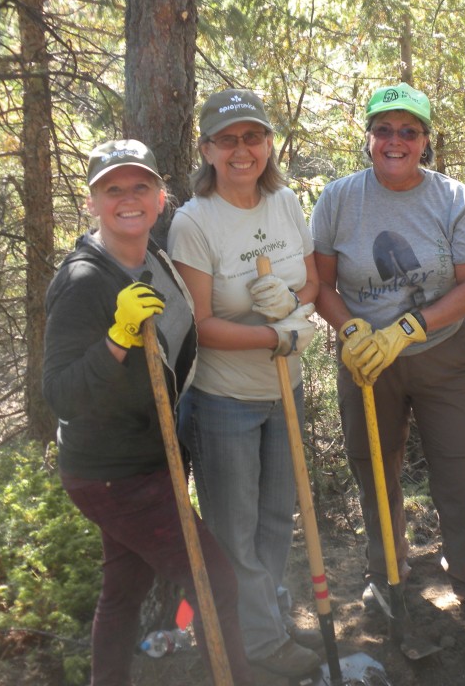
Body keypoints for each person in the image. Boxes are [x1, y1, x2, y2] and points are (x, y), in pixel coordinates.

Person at [43, 140, 255, 686]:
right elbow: (61, 394)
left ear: (160, 198)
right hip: (114, 474)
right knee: (215, 584)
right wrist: (115, 339)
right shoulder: (83, 282)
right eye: (113, 189)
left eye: (140, 187)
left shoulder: (153, 256)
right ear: (92, 202)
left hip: (147, 460)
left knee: (124, 589)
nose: (129, 199)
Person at [309, 82, 465, 615]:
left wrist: (408, 329)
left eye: (408, 131)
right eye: (384, 129)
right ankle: (387, 571)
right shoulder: (339, 198)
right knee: (374, 468)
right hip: (366, 362)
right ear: (368, 137)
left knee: (462, 469)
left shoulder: (454, 198)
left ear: (425, 141)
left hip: (442, 355)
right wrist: (351, 330)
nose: (395, 140)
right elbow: (320, 284)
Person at [167, 90, 322, 679]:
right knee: (235, 525)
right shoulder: (194, 222)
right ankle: (259, 641)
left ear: (268, 144)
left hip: (285, 390)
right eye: (227, 139)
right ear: (207, 148)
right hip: (223, 399)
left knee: (278, 515)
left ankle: (266, 610)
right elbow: (200, 327)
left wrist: (293, 306)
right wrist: (275, 336)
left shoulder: (283, 202)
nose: (241, 150)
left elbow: (309, 282)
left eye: (252, 136)